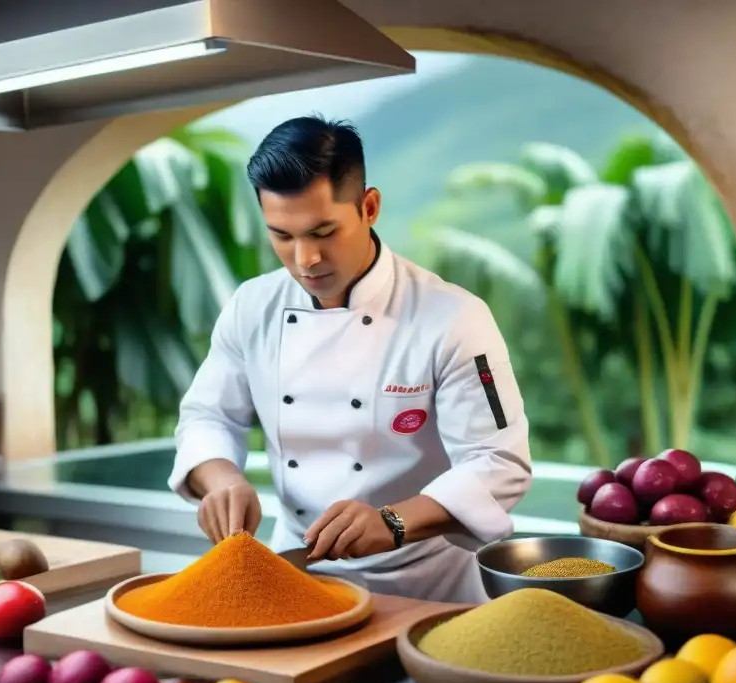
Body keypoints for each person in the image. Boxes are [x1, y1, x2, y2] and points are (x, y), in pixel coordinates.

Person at [168, 115, 532, 603]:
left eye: (323, 232)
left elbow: (499, 460)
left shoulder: (454, 317)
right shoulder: (252, 307)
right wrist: (221, 480)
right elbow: (207, 414)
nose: (305, 259)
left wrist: (393, 521)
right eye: (282, 235)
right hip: (295, 573)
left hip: (424, 584)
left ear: (369, 207)